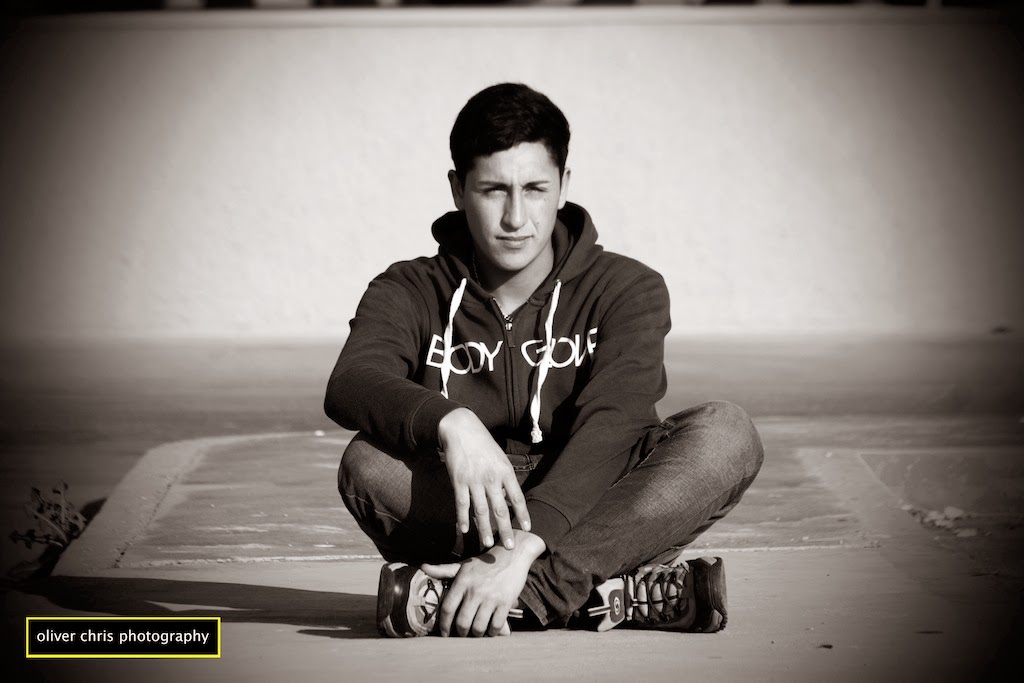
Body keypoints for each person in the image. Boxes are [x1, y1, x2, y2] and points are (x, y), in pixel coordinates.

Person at [324, 82, 764, 639]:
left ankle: (514, 595)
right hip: (473, 502)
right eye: (493, 190)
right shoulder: (410, 289)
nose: (516, 217)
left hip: (596, 488)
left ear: (564, 186)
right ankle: (601, 595)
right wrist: (453, 423)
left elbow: (616, 423)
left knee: (727, 434)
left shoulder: (627, 288)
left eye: (534, 189)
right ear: (458, 189)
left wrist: (522, 549)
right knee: (368, 464)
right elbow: (352, 381)